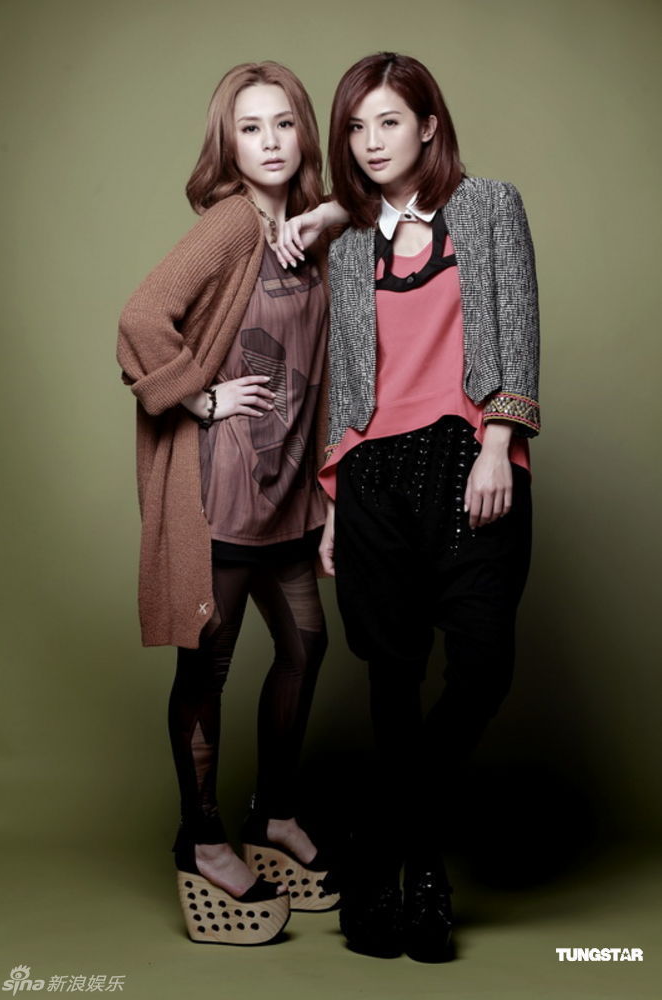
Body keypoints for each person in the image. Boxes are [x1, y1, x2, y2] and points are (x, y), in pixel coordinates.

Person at [277, 52, 539, 962]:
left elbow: (519, 322)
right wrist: (334, 501)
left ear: (429, 125)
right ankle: (420, 877)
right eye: (355, 127)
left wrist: (500, 440)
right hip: (374, 476)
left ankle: (372, 849)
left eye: (389, 121)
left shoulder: (492, 207)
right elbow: (345, 380)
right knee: (391, 676)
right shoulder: (350, 244)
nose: (370, 141)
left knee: (482, 666)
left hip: (473, 462)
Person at [116, 61, 339, 947]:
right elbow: (141, 317)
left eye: (284, 123)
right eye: (251, 128)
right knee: (208, 668)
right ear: (229, 144)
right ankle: (202, 836)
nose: (272, 142)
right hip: (223, 489)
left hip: (289, 488)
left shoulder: (310, 230)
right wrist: (199, 397)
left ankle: (273, 814)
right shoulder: (232, 223)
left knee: (306, 646)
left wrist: (333, 213)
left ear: (304, 133)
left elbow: (389, 206)